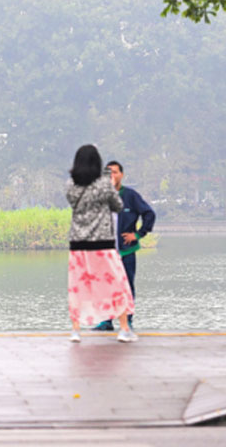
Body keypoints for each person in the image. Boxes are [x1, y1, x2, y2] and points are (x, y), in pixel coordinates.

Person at [65, 145, 136, 343]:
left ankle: (76, 330)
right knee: (117, 284)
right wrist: (111, 184)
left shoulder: (71, 185)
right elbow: (118, 206)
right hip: (102, 243)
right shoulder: (104, 185)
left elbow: (73, 203)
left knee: (77, 286)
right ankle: (123, 329)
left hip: (78, 243)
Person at [93, 160, 156, 331]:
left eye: (114, 172)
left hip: (126, 250)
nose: (111, 176)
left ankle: (127, 321)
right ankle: (106, 321)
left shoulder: (130, 195)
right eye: (108, 173)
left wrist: (138, 234)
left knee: (126, 285)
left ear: (121, 174)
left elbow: (149, 214)